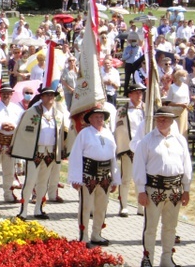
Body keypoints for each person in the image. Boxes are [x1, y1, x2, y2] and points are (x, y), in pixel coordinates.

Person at [133, 108, 192, 267]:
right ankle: (147, 259)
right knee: (150, 226)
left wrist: (186, 188)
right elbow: (138, 166)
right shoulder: (147, 141)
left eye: (165, 119)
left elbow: (186, 165)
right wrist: (141, 190)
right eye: (159, 119)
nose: (162, 122)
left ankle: (167, 259)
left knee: (170, 227)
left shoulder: (180, 140)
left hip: (175, 190)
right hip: (154, 188)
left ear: (172, 120)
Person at [11, 87, 65, 220]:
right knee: (30, 181)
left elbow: (61, 134)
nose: (50, 98)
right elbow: (22, 131)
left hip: (50, 153)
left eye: (52, 95)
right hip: (35, 152)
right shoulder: (32, 112)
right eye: (47, 95)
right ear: (41, 97)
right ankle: (23, 211)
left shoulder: (58, 115)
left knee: (43, 182)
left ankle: (39, 209)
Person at [68, 108, 120, 245]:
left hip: (105, 177)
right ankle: (83, 236)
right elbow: (75, 156)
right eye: (96, 117)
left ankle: (97, 234)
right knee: (86, 206)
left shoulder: (109, 133)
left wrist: (115, 178)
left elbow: (113, 157)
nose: (99, 120)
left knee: (101, 207)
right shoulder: (84, 134)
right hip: (88, 175)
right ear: (90, 119)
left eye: (101, 117)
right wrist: (76, 178)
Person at [115, 83, 146, 217]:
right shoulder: (123, 110)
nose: (139, 95)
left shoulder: (147, 109)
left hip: (144, 148)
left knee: (142, 178)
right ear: (130, 95)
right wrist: (123, 145)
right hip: (128, 147)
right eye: (136, 93)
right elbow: (119, 129)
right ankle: (124, 206)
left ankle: (141, 207)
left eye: (141, 93)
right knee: (126, 177)